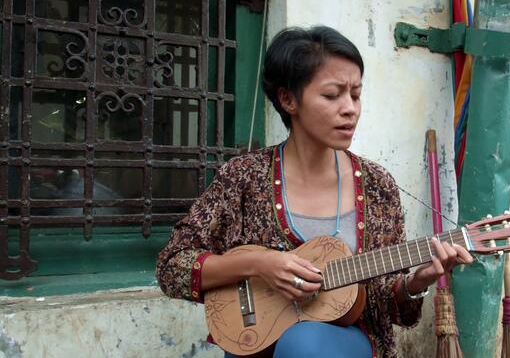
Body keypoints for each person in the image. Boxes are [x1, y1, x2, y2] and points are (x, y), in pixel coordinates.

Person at [156, 26, 474, 358]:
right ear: (288, 99)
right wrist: (258, 263)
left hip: (345, 342)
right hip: (256, 340)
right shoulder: (244, 177)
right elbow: (172, 267)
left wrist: (416, 282)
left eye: (355, 94)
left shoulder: (377, 185)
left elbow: (391, 309)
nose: (350, 108)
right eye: (332, 95)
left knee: (304, 343)